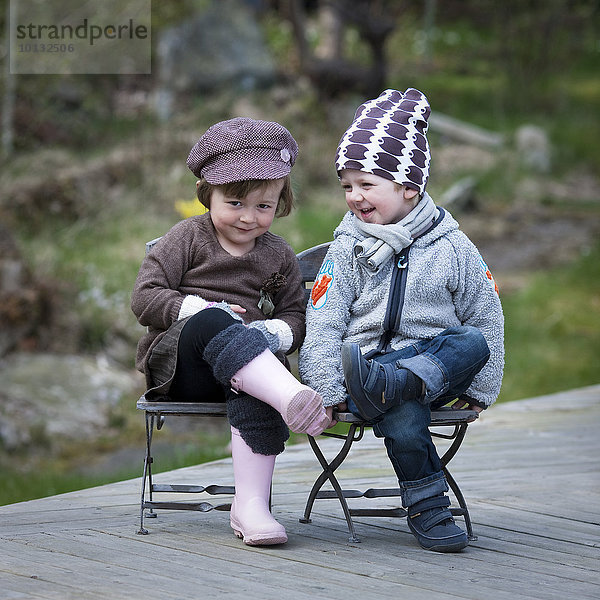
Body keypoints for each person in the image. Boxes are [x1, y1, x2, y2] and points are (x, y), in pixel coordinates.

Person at [298, 88, 504, 553]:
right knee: (405, 415)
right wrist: (329, 388)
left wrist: (479, 388)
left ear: (408, 187)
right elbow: (324, 320)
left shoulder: (452, 247)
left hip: (435, 370)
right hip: (365, 369)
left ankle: (395, 382)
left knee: (471, 341)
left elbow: (486, 314)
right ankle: (430, 509)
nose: (354, 197)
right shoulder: (348, 248)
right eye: (347, 186)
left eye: (367, 185)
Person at [131, 117, 331, 547]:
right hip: (181, 368)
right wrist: (201, 310)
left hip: (243, 371)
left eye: (264, 206)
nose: (248, 217)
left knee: (257, 358)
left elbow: (296, 316)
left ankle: (252, 507)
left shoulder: (278, 254)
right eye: (236, 203)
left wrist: (271, 334)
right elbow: (144, 296)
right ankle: (289, 396)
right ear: (209, 194)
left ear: (281, 201)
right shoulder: (188, 237)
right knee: (213, 322)